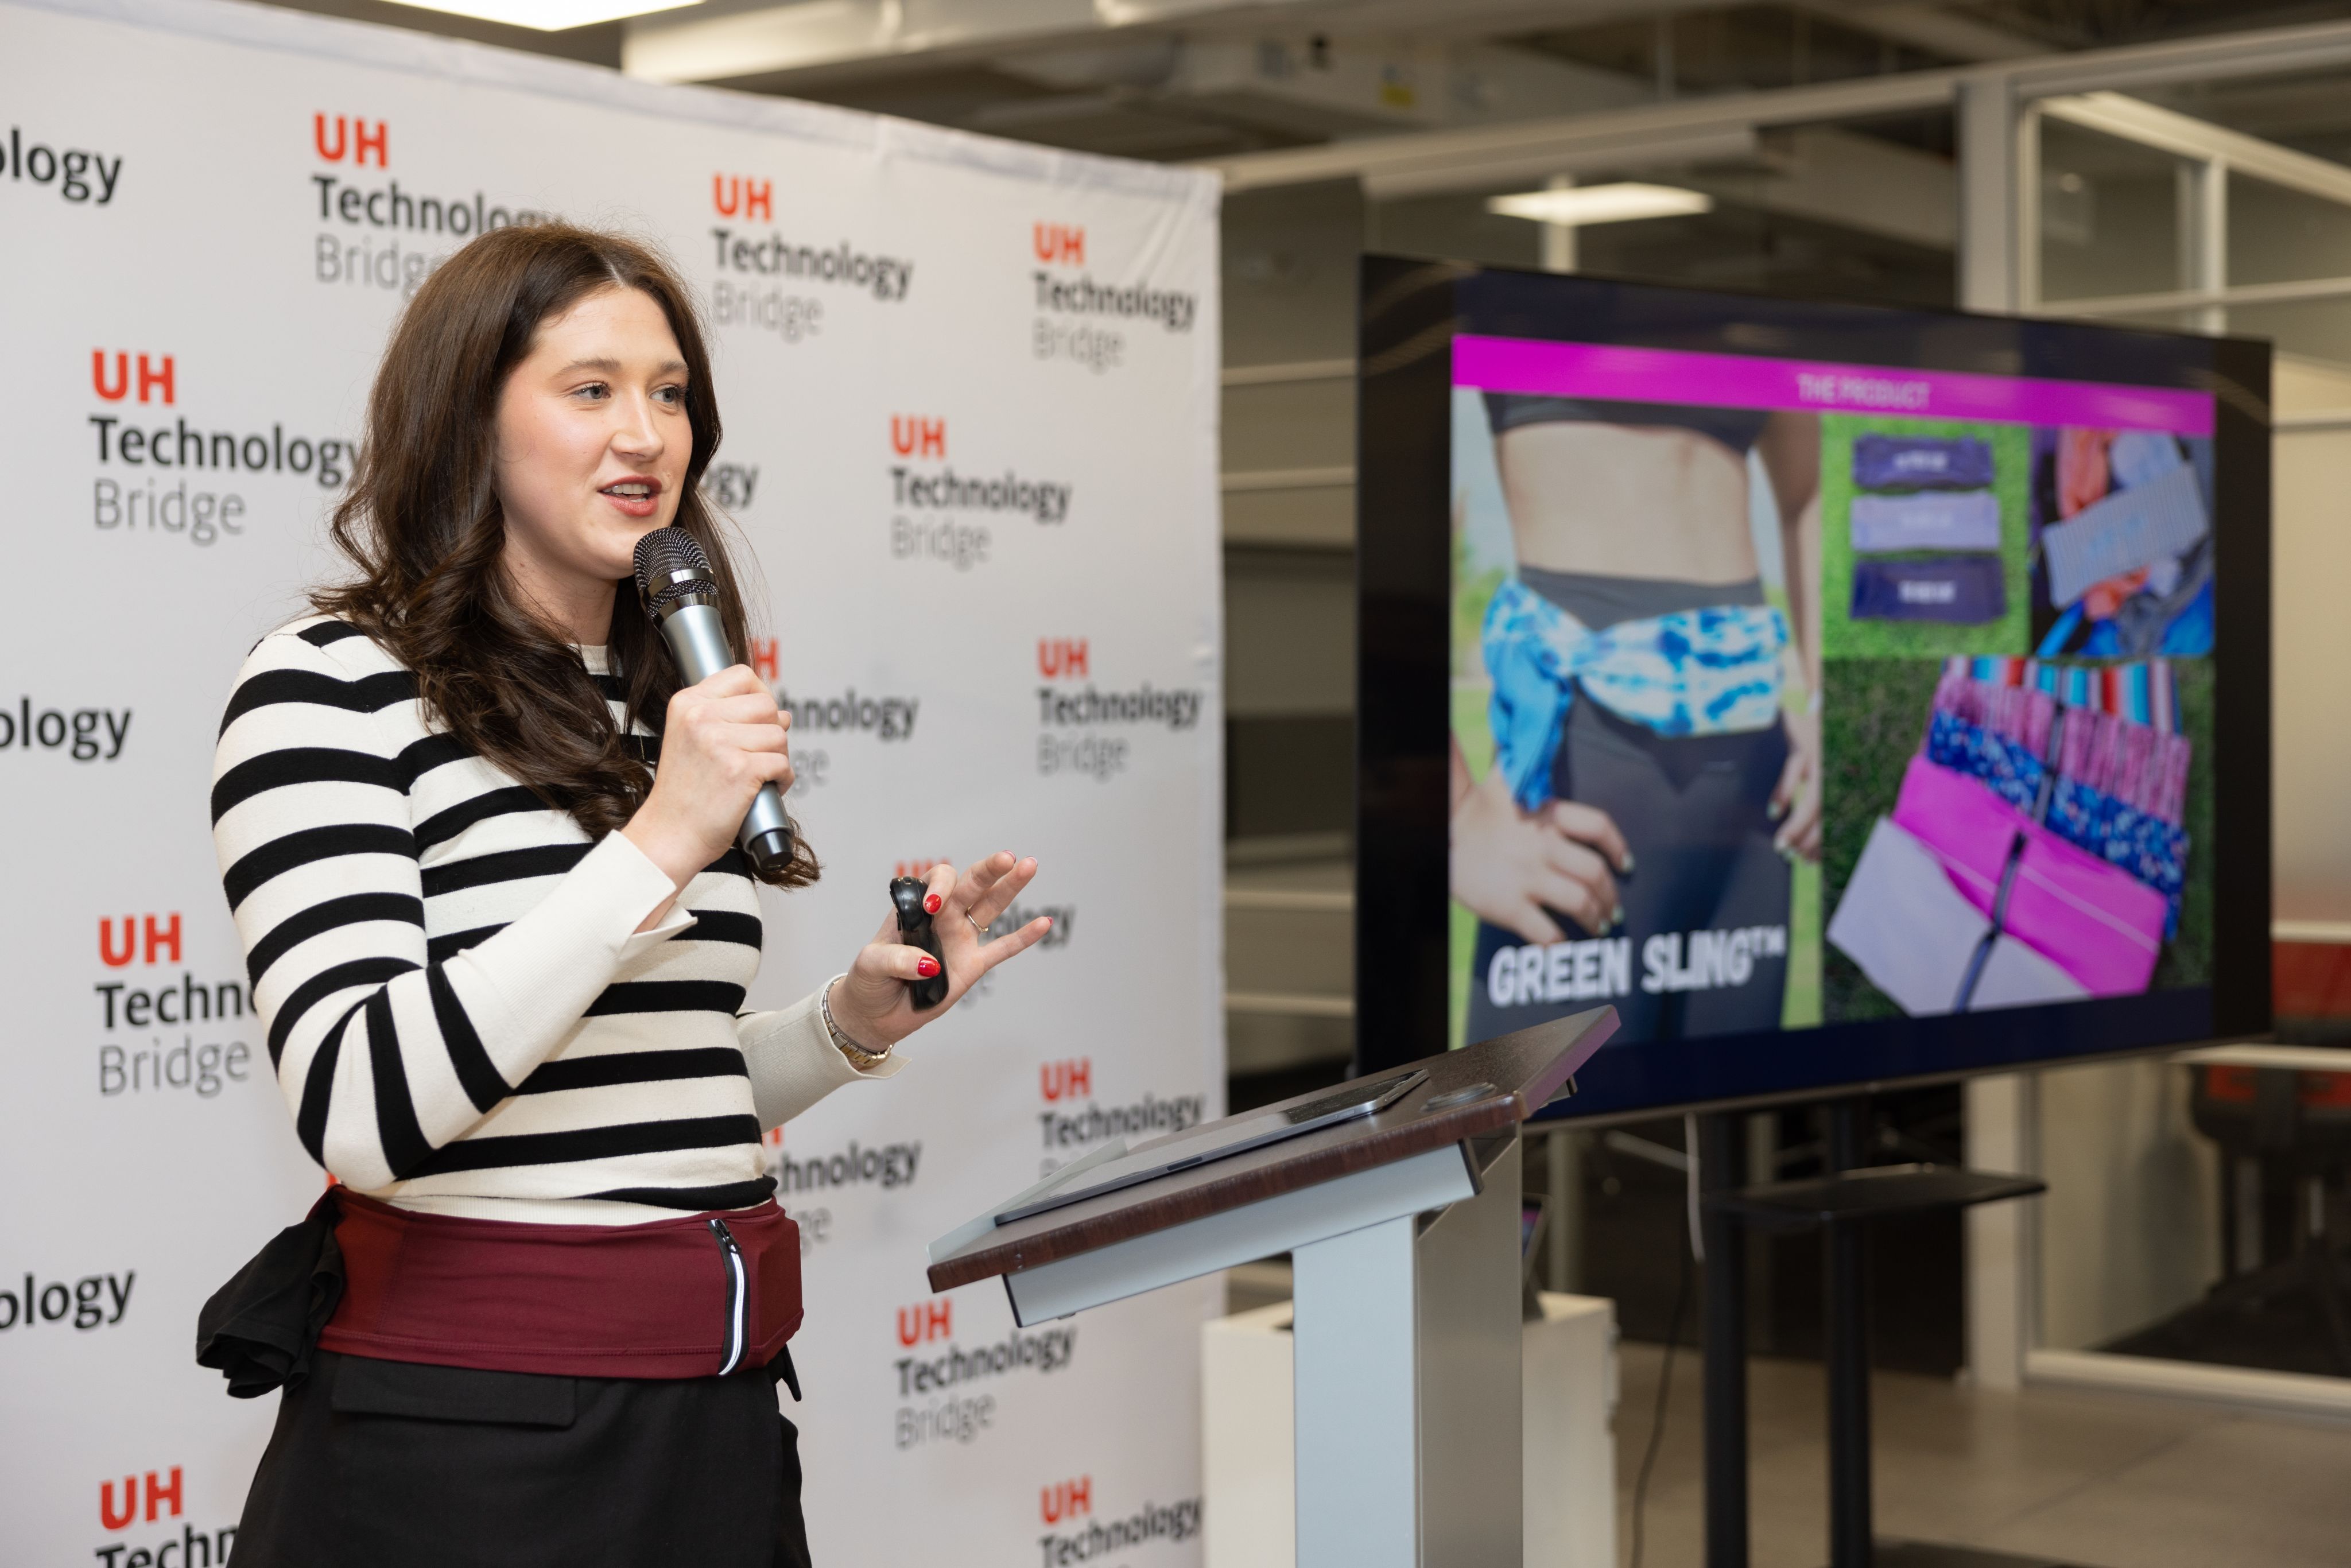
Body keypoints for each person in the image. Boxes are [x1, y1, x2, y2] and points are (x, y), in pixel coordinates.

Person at [207, 222, 1052, 1566]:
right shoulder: (329, 684)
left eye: (670, 394)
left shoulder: (663, 696)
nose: (647, 434)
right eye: (590, 389)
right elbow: (367, 1111)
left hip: (715, 1421)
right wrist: (658, 842)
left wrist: (846, 1023)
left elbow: (631, 1083)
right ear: (467, 415)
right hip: (467, 1448)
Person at [1453, 395, 1821, 1045]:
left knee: (1733, 1125)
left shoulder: (1773, 298)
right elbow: (1380, 507)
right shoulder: (1518, 295)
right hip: (1576, 771)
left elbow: (1807, 491)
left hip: (1755, 795)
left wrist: (1826, 704)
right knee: (1531, 1132)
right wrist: (1454, 818)